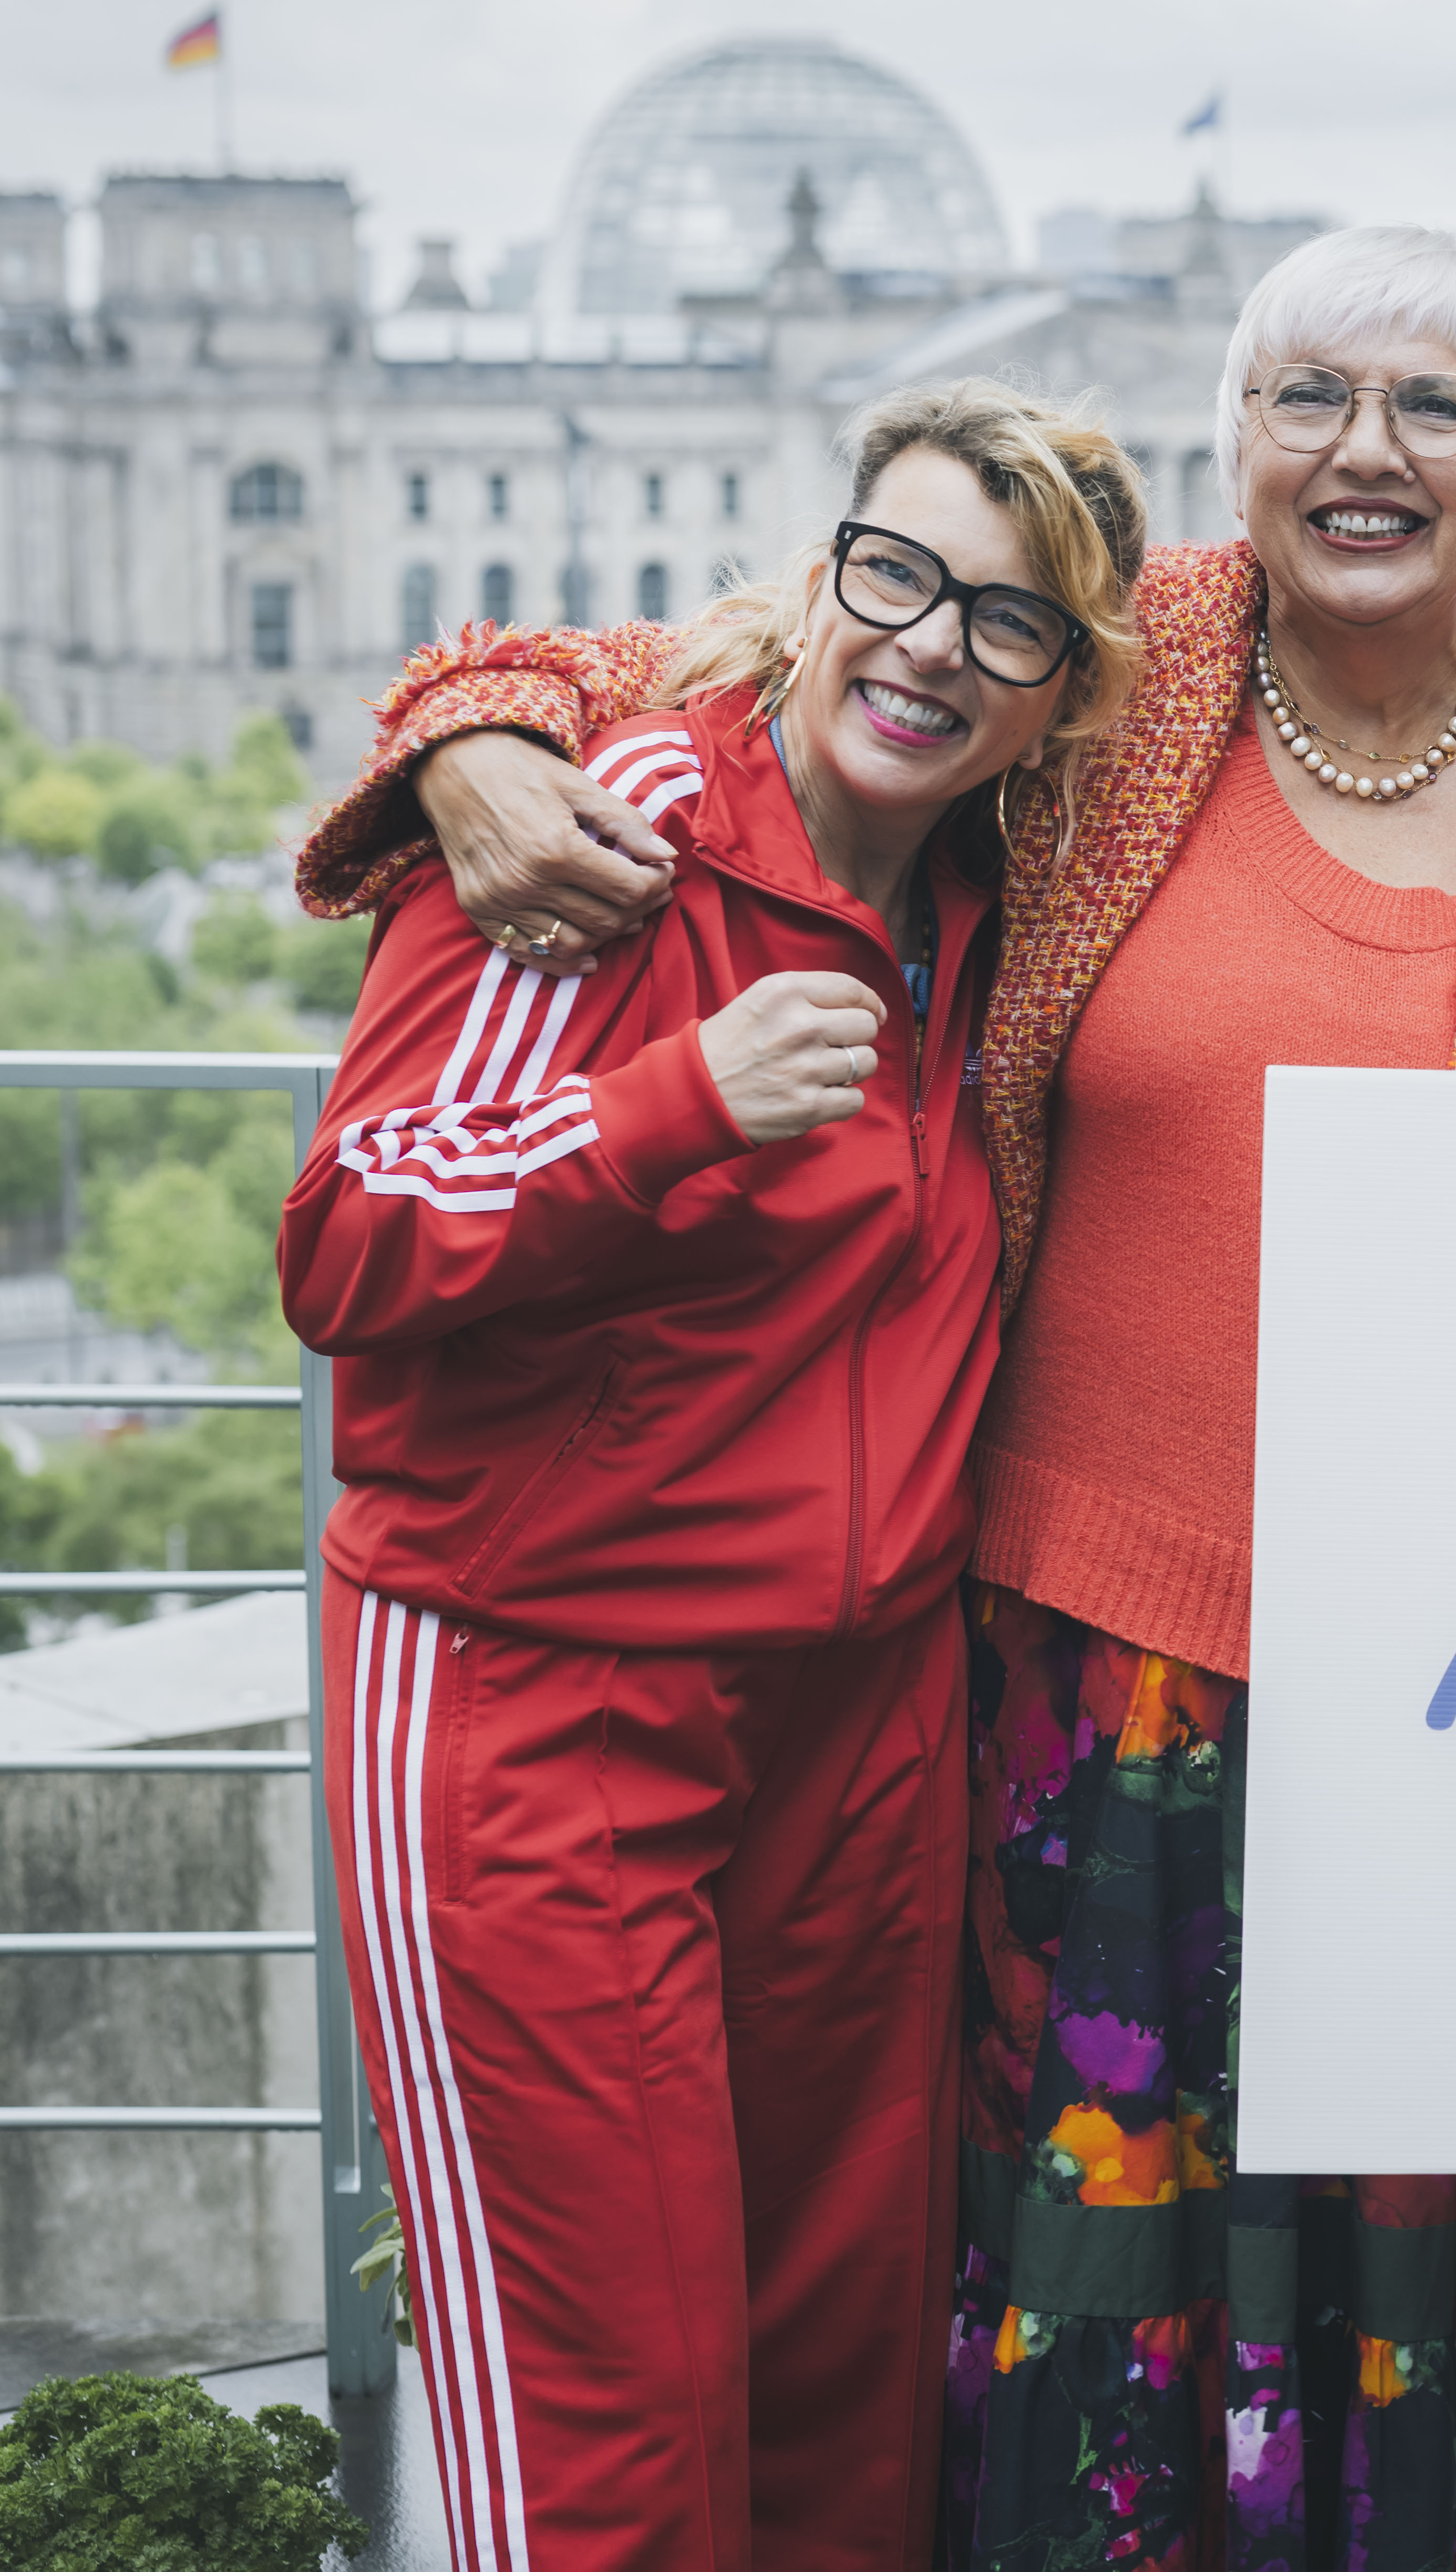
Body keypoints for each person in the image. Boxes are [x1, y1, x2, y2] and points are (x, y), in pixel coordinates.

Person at [294, 224, 1456, 2571]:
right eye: (1307, 401)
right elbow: (735, 655)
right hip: (1092, 1673)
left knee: (1424, 2269)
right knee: (1037, 2296)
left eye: (1434, 412)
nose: (1361, 454)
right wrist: (476, 736)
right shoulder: (1113, 664)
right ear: (1237, 451)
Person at [280, 380, 1147, 2572]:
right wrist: (665, 1109)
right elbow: (348, 1238)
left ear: (1064, 694)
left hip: (857, 1736)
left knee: (842, 2414)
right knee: (613, 2446)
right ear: (824, 571)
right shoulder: (611, 816)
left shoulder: (1007, 897)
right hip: (534, 1706)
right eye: (901, 577)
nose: (935, 647)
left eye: (1010, 627)